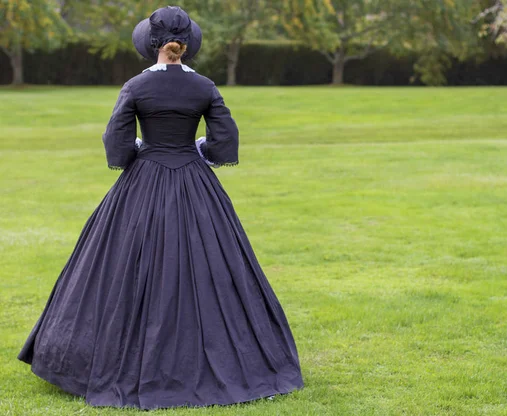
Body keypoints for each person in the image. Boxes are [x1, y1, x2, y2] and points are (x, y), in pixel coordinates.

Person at [17, 6, 303, 410]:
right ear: (187, 44)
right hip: (194, 182)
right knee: (212, 268)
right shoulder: (205, 86)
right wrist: (197, 148)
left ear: (150, 44)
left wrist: (141, 150)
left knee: (118, 269)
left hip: (142, 181)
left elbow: (117, 146)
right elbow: (224, 142)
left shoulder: (135, 86)